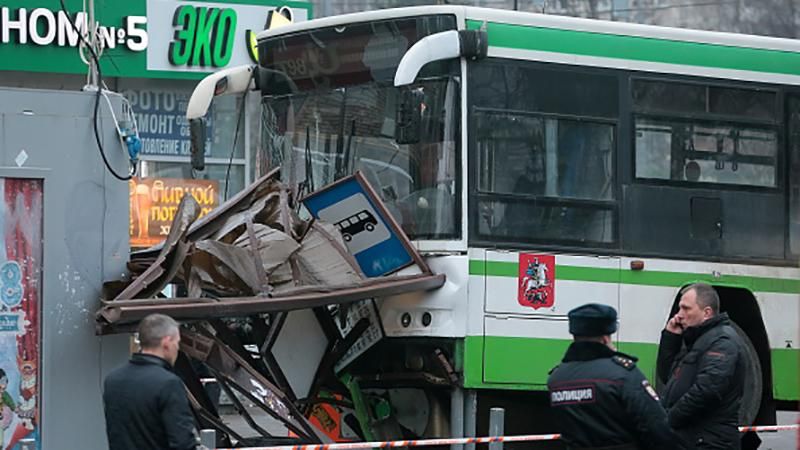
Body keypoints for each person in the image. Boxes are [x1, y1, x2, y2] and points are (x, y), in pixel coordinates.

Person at [548, 303, 683, 450]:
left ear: (574, 334)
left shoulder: (557, 378)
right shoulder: (622, 374)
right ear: (606, 337)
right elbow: (656, 426)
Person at [656, 283, 745, 449]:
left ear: (707, 313)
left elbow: (707, 390)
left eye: (686, 309)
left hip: (710, 442)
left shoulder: (722, 341)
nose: (679, 315)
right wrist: (671, 338)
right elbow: (670, 377)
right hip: (694, 439)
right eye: (680, 308)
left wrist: (668, 421)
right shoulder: (697, 339)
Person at [103, 313, 203, 450]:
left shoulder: (113, 380)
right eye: (177, 342)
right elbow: (182, 443)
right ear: (166, 343)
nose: (178, 348)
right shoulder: (168, 383)